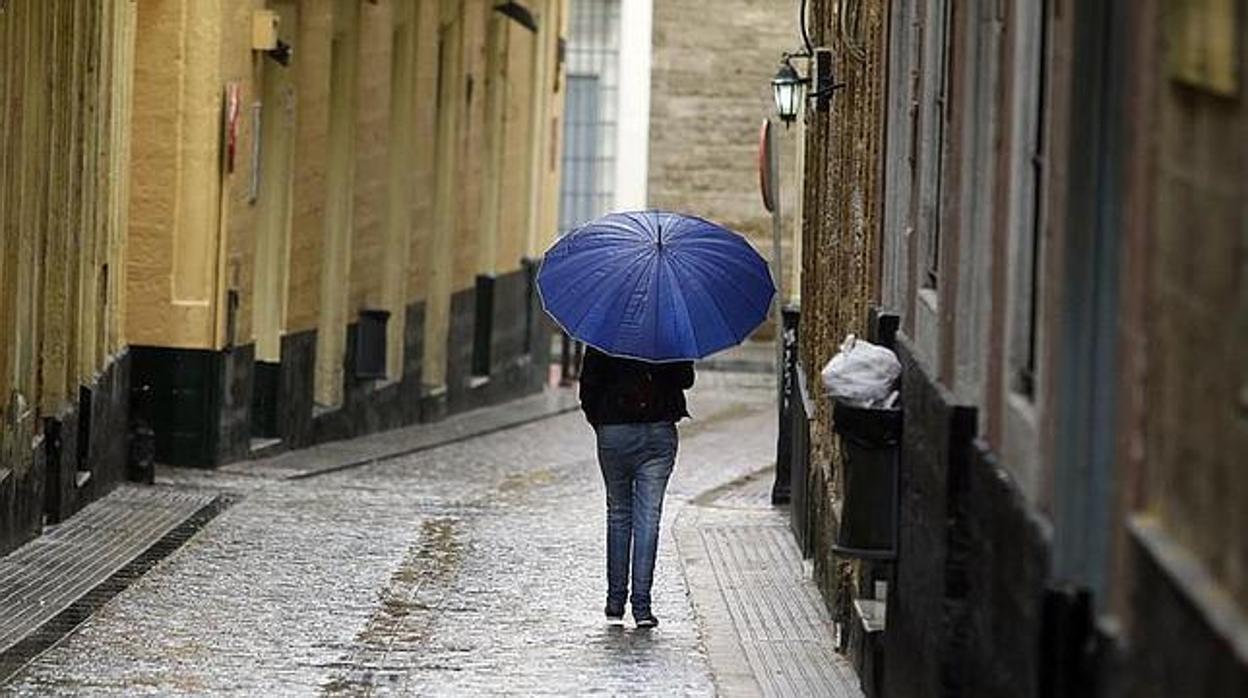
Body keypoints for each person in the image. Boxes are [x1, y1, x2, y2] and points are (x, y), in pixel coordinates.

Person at [578, 345, 695, 629]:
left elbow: (588, 386)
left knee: (618, 514)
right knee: (648, 519)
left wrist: (602, 424)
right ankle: (642, 607)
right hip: (658, 430)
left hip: (614, 429)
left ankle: (615, 602)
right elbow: (685, 379)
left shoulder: (607, 330)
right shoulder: (670, 329)